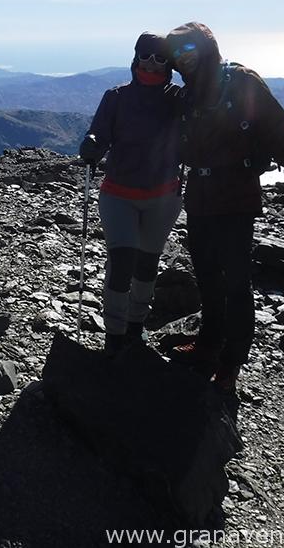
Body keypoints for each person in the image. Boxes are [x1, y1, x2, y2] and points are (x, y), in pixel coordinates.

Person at [164, 21, 284, 394]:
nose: (184, 61)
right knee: (207, 278)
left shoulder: (243, 83)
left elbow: (280, 135)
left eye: (190, 52)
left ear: (208, 49)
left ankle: (230, 366)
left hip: (236, 197)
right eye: (177, 56)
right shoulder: (187, 95)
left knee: (235, 283)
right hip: (200, 196)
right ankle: (207, 347)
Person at [79, 32, 183, 355]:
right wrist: (93, 144)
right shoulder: (117, 97)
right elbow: (99, 131)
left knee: (147, 265)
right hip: (119, 195)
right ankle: (115, 335)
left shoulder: (178, 99)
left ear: (170, 64)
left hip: (162, 197)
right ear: (135, 58)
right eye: (146, 56)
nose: (152, 63)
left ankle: (134, 330)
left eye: (160, 58)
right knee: (123, 262)